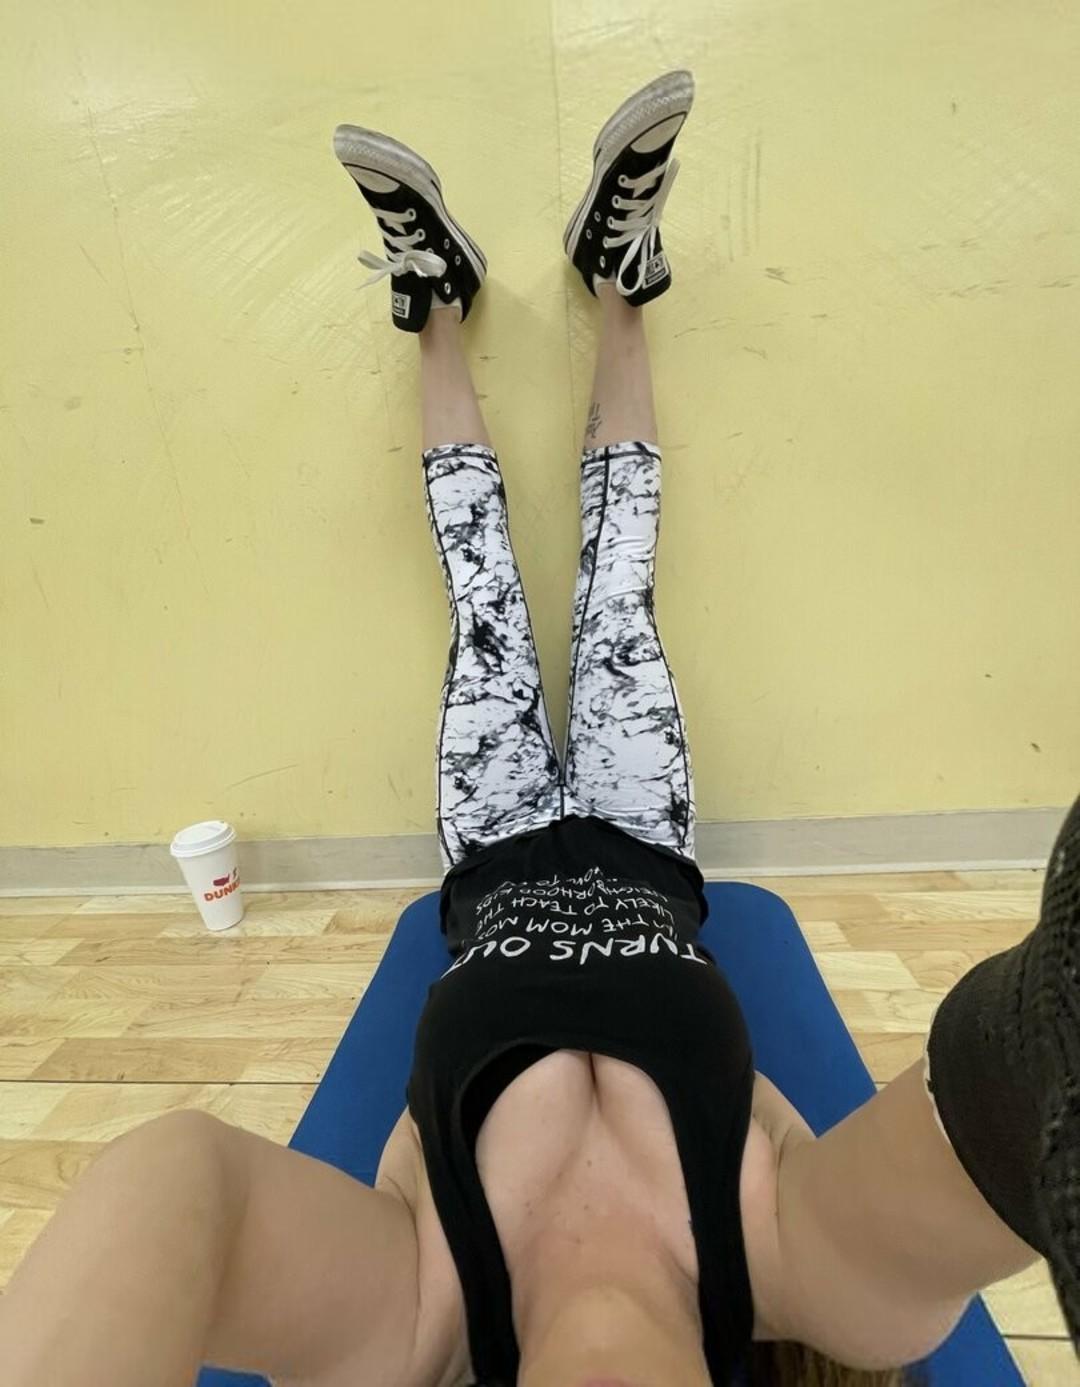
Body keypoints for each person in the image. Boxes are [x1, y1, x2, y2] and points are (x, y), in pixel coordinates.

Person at [1, 70, 1076, 1387]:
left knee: (486, 593)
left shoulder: (407, 1314)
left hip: (494, 853)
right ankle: (621, 282)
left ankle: (434, 307)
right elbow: (1039, 1052)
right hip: (644, 845)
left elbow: (179, 1190)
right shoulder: (825, 1271)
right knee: (619, 583)